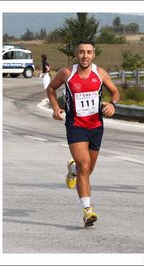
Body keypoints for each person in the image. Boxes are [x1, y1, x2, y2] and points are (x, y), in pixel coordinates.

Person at [46, 40, 120, 227]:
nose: (85, 56)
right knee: (84, 166)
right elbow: (51, 88)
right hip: (75, 125)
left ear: (93, 55)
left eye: (88, 52)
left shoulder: (100, 73)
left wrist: (112, 104)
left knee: (86, 171)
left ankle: (72, 171)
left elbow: (115, 92)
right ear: (76, 55)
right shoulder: (67, 73)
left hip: (96, 126)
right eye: (81, 52)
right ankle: (88, 211)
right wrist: (56, 108)